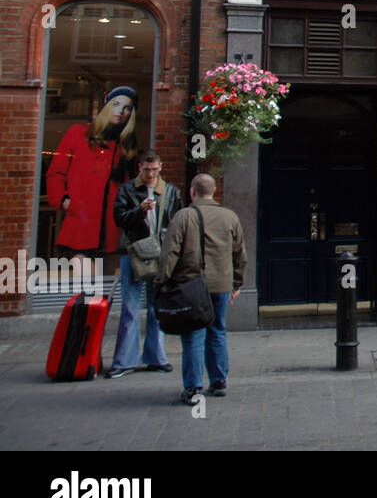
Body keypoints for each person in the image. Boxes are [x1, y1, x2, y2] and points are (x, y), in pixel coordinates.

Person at [159, 173, 246, 405]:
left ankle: (193, 387)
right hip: (221, 285)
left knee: (193, 335)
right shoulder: (230, 217)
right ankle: (219, 381)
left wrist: (163, 280)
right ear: (214, 190)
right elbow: (240, 254)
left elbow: (170, 252)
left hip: (190, 285)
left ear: (192, 191)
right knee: (217, 330)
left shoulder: (184, 216)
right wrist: (237, 283)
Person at [107, 150, 182, 378]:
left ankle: (156, 357)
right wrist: (139, 211)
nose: (150, 174)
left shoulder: (170, 192)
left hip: (159, 252)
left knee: (155, 308)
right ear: (139, 167)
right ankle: (124, 361)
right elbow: (118, 218)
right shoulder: (128, 190)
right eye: (147, 170)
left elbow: (177, 222)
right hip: (134, 251)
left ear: (161, 167)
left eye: (155, 170)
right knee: (129, 307)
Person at [46, 86, 139, 256]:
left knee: (104, 274)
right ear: (107, 106)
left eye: (127, 108)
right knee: (83, 271)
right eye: (116, 104)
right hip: (81, 219)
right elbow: (56, 173)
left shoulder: (126, 147)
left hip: (111, 225)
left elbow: (128, 187)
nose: (120, 111)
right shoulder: (78, 133)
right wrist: (63, 201)